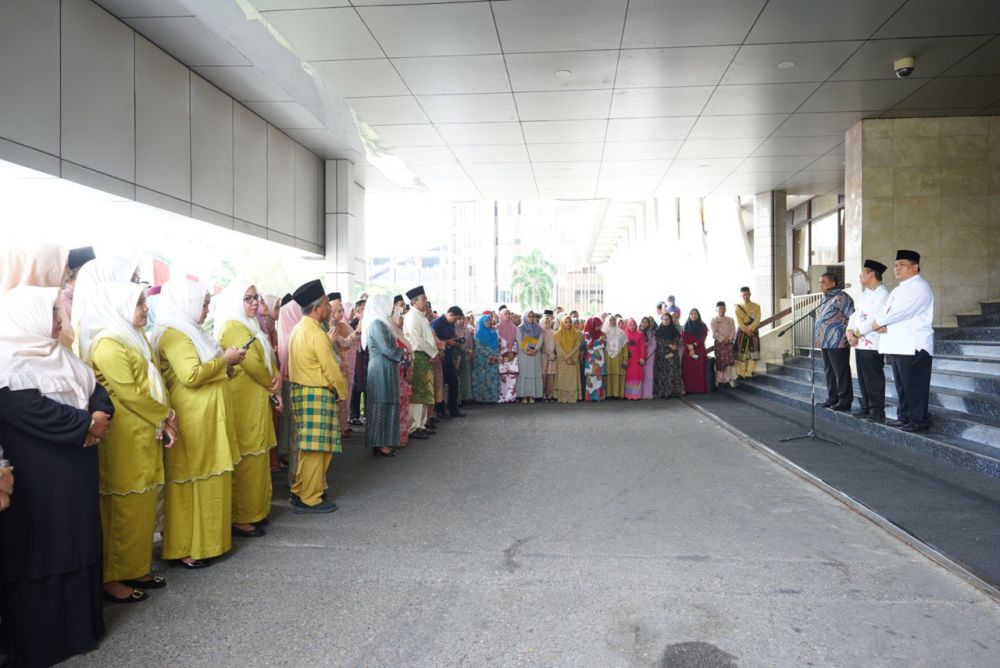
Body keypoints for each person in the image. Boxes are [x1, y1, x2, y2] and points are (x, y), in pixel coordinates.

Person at [0, 286, 114, 667]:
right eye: (49, 312)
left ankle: (81, 629)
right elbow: (30, 411)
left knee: (79, 543)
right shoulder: (8, 362)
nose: (58, 319)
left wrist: (98, 417)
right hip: (39, 479)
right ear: (26, 316)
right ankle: (43, 642)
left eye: (56, 310)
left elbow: (98, 391)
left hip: (76, 470)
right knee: (44, 550)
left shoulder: (63, 355)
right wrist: (87, 424)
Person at [83, 281, 174, 602]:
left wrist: (163, 417)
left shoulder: (133, 338)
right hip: (124, 436)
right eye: (138, 302)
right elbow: (129, 393)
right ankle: (113, 576)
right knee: (123, 505)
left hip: (144, 431)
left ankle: (136, 567)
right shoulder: (109, 344)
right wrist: (165, 415)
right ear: (120, 306)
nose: (146, 308)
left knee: (143, 502)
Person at [153, 279, 244, 567]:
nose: (206, 310)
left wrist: (227, 365)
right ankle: (186, 548)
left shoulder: (192, 332)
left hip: (206, 416)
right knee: (190, 481)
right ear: (186, 303)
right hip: (192, 418)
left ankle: (209, 543)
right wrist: (225, 360)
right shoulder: (174, 334)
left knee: (210, 476)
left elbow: (210, 368)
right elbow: (191, 375)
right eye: (203, 303)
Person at [214, 282, 281, 537]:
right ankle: (241, 515)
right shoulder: (233, 325)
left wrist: (276, 378)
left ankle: (256, 511)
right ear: (235, 302)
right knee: (247, 455)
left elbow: (267, 359)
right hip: (243, 399)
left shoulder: (251, 325)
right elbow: (252, 362)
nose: (254, 302)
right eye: (248, 298)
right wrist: (272, 384)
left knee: (259, 454)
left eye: (256, 297)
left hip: (257, 397)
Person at [287, 281, 347, 513]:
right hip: (317, 394)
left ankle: (300, 490)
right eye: (326, 304)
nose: (330, 309)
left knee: (308, 448)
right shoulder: (316, 334)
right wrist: (342, 391)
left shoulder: (298, 329)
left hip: (301, 392)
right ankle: (311, 498)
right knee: (318, 450)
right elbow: (331, 369)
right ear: (316, 308)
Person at [859, 250, 935, 433]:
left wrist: (877, 323)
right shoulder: (898, 289)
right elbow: (885, 312)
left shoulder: (920, 287)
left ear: (915, 266)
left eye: (902, 264)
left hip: (914, 345)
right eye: (895, 265)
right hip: (899, 345)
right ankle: (906, 416)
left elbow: (901, 312)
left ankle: (918, 420)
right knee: (903, 385)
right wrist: (879, 323)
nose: (897, 268)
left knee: (915, 386)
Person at [846, 260, 890, 423]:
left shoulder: (883, 294)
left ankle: (877, 410)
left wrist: (856, 333)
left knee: (873, 376)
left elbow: (875, 318)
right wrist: (850, 331)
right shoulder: (864, 293)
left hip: (873, 341)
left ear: (872, 274)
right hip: (859, 341)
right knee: (863, 376)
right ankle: (866, 406)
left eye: (863, 272)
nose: (860, 275)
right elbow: (854, 314)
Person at [361, 295, 404, 457]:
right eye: (389, 305)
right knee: (380, 403)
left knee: (387, 402)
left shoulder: (381, 323)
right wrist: (402, 353)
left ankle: (385, 441)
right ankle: (379, 444)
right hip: (380, 368)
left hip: (386, 367)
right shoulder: (376, 325)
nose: (391, 308)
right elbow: (386, 349)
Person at [815, 272, 855, 411]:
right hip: (825, 341)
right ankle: (832, 398)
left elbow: (852, 316)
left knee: (840, 371)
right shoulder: (825, 299)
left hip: (837, 340)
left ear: (832, 284)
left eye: (823, 282)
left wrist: (849, 333)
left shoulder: (841, 297)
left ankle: (845, 400)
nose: (820, 285)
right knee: (829, 371)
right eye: (820, 282)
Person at [403, 286, 439, 439]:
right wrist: (432, 352)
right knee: (418, 392)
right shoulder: (411, 316)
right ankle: (414, 426)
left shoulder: (421, 316)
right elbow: (417, 339)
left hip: (425, 356)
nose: (426, 300)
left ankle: (421, 424)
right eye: (423, 298)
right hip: (419, 355)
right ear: (415, 301)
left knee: (425, 391)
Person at [276, 294, 302, 485]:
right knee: (294, 429)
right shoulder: (294, 333)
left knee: (293, 428)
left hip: (288, 382)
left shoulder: (287, 332)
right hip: (293, 384)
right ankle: (295, 477)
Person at [328, 294, 361, 439]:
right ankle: (340, 427)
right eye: (338, 311)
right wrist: (357, 332)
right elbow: (343, 343)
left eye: (342, 310)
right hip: (341, 365)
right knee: (341, 397)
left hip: (349, 364)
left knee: (346, 395)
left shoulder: (342, 324)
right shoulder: (332, 326)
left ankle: (344, 424)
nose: (341, 313)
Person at [431, 306, 467, 417]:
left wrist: (455, 341)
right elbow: (432, 340)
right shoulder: (437, 323)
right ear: (450, 314)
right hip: (439, 358)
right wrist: (447, 342)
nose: (456, 322)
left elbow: (451, 338)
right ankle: (440, 410)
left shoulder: (451, 324)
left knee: (454, 384)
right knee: (439, 385)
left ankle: (453, 409)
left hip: (449, 358)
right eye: (455, 319)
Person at [472, 313, 501, 404]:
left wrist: (495, 354)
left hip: (493, 359)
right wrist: (490, 355)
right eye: (486, 321)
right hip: (482, 360)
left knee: (492, 377)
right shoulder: (478, 333)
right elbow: (479, 348)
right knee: (482, 378)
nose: (488, 322)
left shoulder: (493, 332)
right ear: (482, 322)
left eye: (489, 320)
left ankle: (492, 398)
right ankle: (481, 399)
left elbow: (497, 345)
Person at [515, 310, 544, 403]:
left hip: (535, 355)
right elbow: (519, 341)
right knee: (524, 374)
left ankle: (532, 395)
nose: (531, 318)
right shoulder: (520, 328)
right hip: (524, 355)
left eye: (533, 316)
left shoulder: (539, 328)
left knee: (533, 374)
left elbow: (540, 340)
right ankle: (524, 396)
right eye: (529, 316)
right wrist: (527, 350)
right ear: (525, 317)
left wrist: (535, 349)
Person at [554, 313, 582, 403]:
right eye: (566, 322)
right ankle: (563, 397)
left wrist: (570, 356)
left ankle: (572, 398)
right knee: (562, 379)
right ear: (562, 323)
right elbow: (558, 347)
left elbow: (577, 346)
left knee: (572, 379)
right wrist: (565, 356)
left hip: (573, 360)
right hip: (562, 360)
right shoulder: (557, 334)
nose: (568, 324)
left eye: (570, 322)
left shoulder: (576, 333)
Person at [654, 314, 683, 398]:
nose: (666, 321)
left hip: (672, 355)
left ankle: (673, 393)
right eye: (664, 319)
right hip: (661, 356)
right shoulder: (658, 331)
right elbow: (658, 341)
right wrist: (669, 344)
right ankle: (662, 393)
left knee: (672, 374)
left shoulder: (674, 330)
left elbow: (676, 343)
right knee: (662, 375)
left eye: (668, 319)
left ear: (670, 320)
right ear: (661, 320)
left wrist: (672, 352)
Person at [734, 287, 761, 378]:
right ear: (741, 295)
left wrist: (750, 328)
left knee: (753, 353)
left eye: (747, 294)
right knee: (742, 353)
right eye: (743, 294)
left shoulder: (757, 306)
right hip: (742, 332)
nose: (745, 296)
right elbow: (739, 321)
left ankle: (749, 373)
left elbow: (757, 319)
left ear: (750, 294)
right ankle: (741, 373)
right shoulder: (738, 307)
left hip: (753, 331)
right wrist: (746, 329)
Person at [349, 298, 367, 426]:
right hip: (356, 358)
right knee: (356, 386)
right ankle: (354, 414)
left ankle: (366, 413)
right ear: (358, 310)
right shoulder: (353, 323)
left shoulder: (368, 322)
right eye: (364, 309)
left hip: (365, 357)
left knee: (366, 385)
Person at [681, 308, 709, 394]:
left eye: (695, 314)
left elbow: (702, 339)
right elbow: (682, 339)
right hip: (688, 352)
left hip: (699, 351)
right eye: (692, 314)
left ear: (698, 315)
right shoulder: (685, 326)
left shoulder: (703, 326)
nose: (693, 315)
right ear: (689, 315)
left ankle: (699, 389)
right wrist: (689, 347)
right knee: (688, 370)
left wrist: (693, 346)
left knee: (699, 371)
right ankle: (689, 389)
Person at [710, 302, 737, 388]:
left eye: (723, 308)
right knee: (720, 362)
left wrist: (729, 339)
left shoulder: (730, 319)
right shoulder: (713, 320)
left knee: (728, 362)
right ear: (716, 309)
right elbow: (714, 332)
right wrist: (722, 339)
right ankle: (719, 380)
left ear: (725, 309)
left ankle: (728, 379)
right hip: (719, 344)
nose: (721, 310)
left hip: (729, 343)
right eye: (719, 308)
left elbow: (733, 330)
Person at [497, 308, 519, 403]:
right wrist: (504, 352)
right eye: (506, 314)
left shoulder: (514, 327)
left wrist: (513, 352)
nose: (508, 315)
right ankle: (502, 397)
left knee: (512, 376)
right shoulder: (497, 327)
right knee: (503, 376)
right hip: (502, 355)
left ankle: (511, 396)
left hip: (513, 355)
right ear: (501, 315)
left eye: (509, 313)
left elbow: (516, 341)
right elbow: (497, 343)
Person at [603, 315, 628, 399]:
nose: (613, 322)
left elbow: (625, 347)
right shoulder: (604, 332)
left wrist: (625, 359)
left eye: (614, 320)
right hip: (607, 358)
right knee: (608, 375)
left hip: (618, 358)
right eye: (611, 320)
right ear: (607, 321)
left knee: (617, 375)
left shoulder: (621, 332)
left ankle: (617, 394)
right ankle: (608, 394)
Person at [582, 317, 606, 401]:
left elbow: (603, 344)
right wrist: (600, 340)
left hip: (600, 356)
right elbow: (588, 345)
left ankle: (599, 396)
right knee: (591, 377)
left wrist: (602, 340)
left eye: (600, 326)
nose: (599, 328)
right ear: (592, 325)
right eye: (597, 326)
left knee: (599, 377)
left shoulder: (600, 333)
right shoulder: (587, 333)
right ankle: (590, 397)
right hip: (591, 358)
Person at [623, 318, 646, 400]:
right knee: (628, 376)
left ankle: (636, 395)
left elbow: (642, 347)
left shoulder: (640, 335)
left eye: (633, 325)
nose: (632, 326)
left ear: (636, 325)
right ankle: (628, 395)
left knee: (636, 375)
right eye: (630, 325)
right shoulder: (624, 334)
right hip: (628, 359)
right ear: (627, 326)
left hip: (637, 359)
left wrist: (642, 358)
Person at [540, 311, 557, 402]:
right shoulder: (540, 333)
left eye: (548, 322)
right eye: (545, 322)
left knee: (551, 376)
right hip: (544, 356)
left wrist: (553, 352)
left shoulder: (554, 332)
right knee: (544, 375)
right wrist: (548, 353)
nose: (547, 323)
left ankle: (550, 394)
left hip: (553, 357)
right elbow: (542, 345)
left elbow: (556, 344)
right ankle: (543, 394)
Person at [458, 313, 475, 404]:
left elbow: (470, 342)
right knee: (460, 377)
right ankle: (461, 398)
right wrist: (466, 350)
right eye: (460, 319)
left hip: (467, 355)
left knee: (467, 376)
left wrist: (470, 351)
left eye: (463, 319)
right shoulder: (455, 330)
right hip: (459, 355)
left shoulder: (466, 329)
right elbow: (458, 343)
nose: (462, 320)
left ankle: (467, 397)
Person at [640, 316, 657, 399]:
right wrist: (641, 355)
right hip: (640, 357)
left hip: (649, 356)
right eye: (643, 322)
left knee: (649, 375)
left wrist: (647, 354)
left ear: (649, 323)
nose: (645, 323)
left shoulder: (652, 333)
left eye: (647, 322)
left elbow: (653, 345)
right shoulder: (639, 332)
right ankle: (641, 394)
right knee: (641, 375)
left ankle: (648, 394)